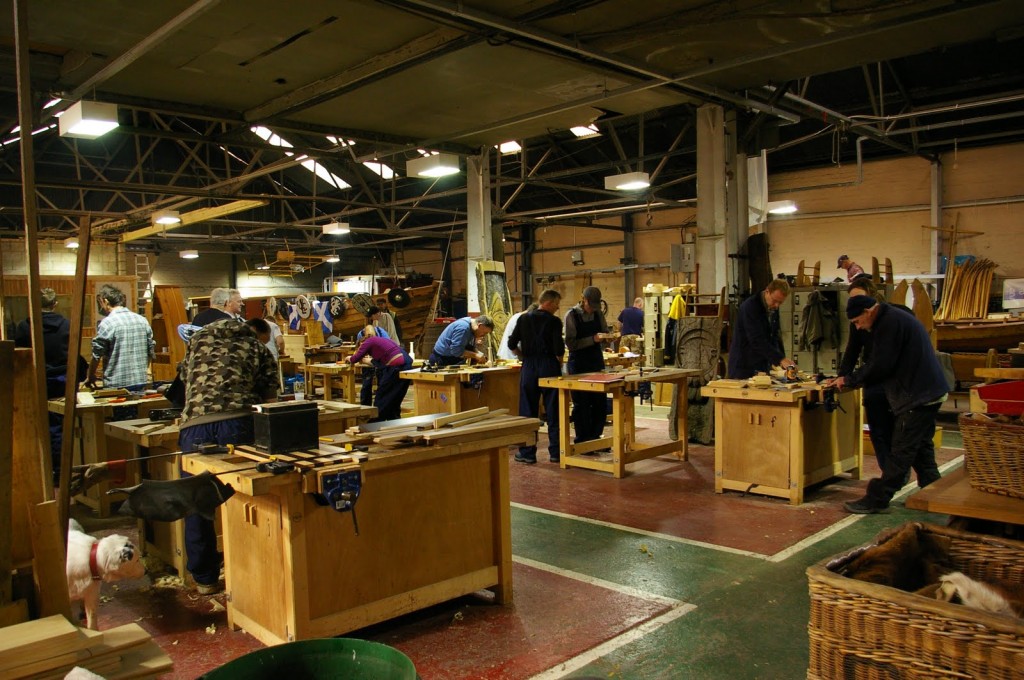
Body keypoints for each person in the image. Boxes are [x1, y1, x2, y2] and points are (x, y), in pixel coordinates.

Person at [177, 316, 279, 594]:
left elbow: (184, 380)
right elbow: (270, 400)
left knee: (197, 503)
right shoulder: (256, 347)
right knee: (247, 497)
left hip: (194, 426)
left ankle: (205, 578)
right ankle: (251, 569)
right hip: (237, 423)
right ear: (258, 333)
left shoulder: (197, 343)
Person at [828, 296, 948, 514]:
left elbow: (880, 364)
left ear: (868, 311)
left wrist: (848, 380)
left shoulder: (889, 323)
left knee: (901, 449)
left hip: (917, 394)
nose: (858, 327)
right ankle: (934, 491)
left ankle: (877, 498)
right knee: (920, 447)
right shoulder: (894, 317)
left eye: (857, 321)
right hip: (929, 391)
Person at [16, 288, 87, 484]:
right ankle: (59, 470)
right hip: (61, 381)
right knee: (59, 426)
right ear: (54, 304)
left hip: (34, 381)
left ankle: (40, 468)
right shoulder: (66, 325)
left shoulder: (24, 327)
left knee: (36, 426)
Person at [838, 277, 900, 473]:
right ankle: (888, 473)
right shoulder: (857, 322)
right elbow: (852, 350)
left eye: (859, 299)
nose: (854, 304)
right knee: (878, 431)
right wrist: (842, 377)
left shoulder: (890, 318)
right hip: (872, 378)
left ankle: (897, 473)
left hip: (892, 379)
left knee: (898, 431)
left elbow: (883, 360)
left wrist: (853, 378)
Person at [510, 290, 564, 464]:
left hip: (529, 366)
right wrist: (558, 362)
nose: (558, 307)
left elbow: (512, 344)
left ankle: (527, 452)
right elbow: (559, 350)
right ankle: (556, 452)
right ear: (548, 303)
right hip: (549, 366)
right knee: (553, 410)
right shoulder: (554, 322)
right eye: (556, 303)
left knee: (528, 410)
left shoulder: (523, 318)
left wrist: (523, 356)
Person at [564, 287, 614, 444]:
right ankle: (582, 440)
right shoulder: (571, 315)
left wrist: (607, 338)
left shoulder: (598, 314)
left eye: (595, 306)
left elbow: (604, 331)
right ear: (583, 300)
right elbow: (571, 344)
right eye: (590, 305)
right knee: (582, 404)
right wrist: (593, 340)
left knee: (599, 402)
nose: (592, 309)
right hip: (578, 363)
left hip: (595, 361)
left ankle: (595, 438)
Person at [87, 285, 154, 389]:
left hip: (116, 384)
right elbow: (150, 349)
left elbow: (96, 354)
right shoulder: (142, 320)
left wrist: (90, 375)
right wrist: (147, 372)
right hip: (140, 381)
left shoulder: (107, 323)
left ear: (105, 301)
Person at [726, 279, 795, 380]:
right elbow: (756, 340)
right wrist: (779, 359)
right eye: (775, 301)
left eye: (780, 303)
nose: (777, 305)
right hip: (743, 367)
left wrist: (782, 361)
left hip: (761, 366)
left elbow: (774, 336)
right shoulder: (750, 307)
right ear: (767, 291)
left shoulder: (773, 308)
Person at [348, 325, 412, 421]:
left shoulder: (367, 342)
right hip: (406, 365)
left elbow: (354, 359)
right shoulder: (381, 341)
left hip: (396, 366)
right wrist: (366, 361)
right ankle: (394, 422)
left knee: (382, 398)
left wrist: (349, 359)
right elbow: (381, 362)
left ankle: (375, 424)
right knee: (395, 399)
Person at [356, 308, 392, 406]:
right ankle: (365, 407)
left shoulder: (381, 332)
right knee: (366, 385)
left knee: (382, 384)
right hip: (367, 362)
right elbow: (359, 349)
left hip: (380, 360)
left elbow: (388, 346)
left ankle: (380, 406)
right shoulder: (361, 334)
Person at [428, 315, 494, 367]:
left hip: (449, 358)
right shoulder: (463, 328)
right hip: (441, 360)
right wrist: (476, 355)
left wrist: (477, 352)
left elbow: (465, 345)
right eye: (484, 333)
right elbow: (456, 351)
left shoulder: (471, 326)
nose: (483, 336)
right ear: (480, 326)